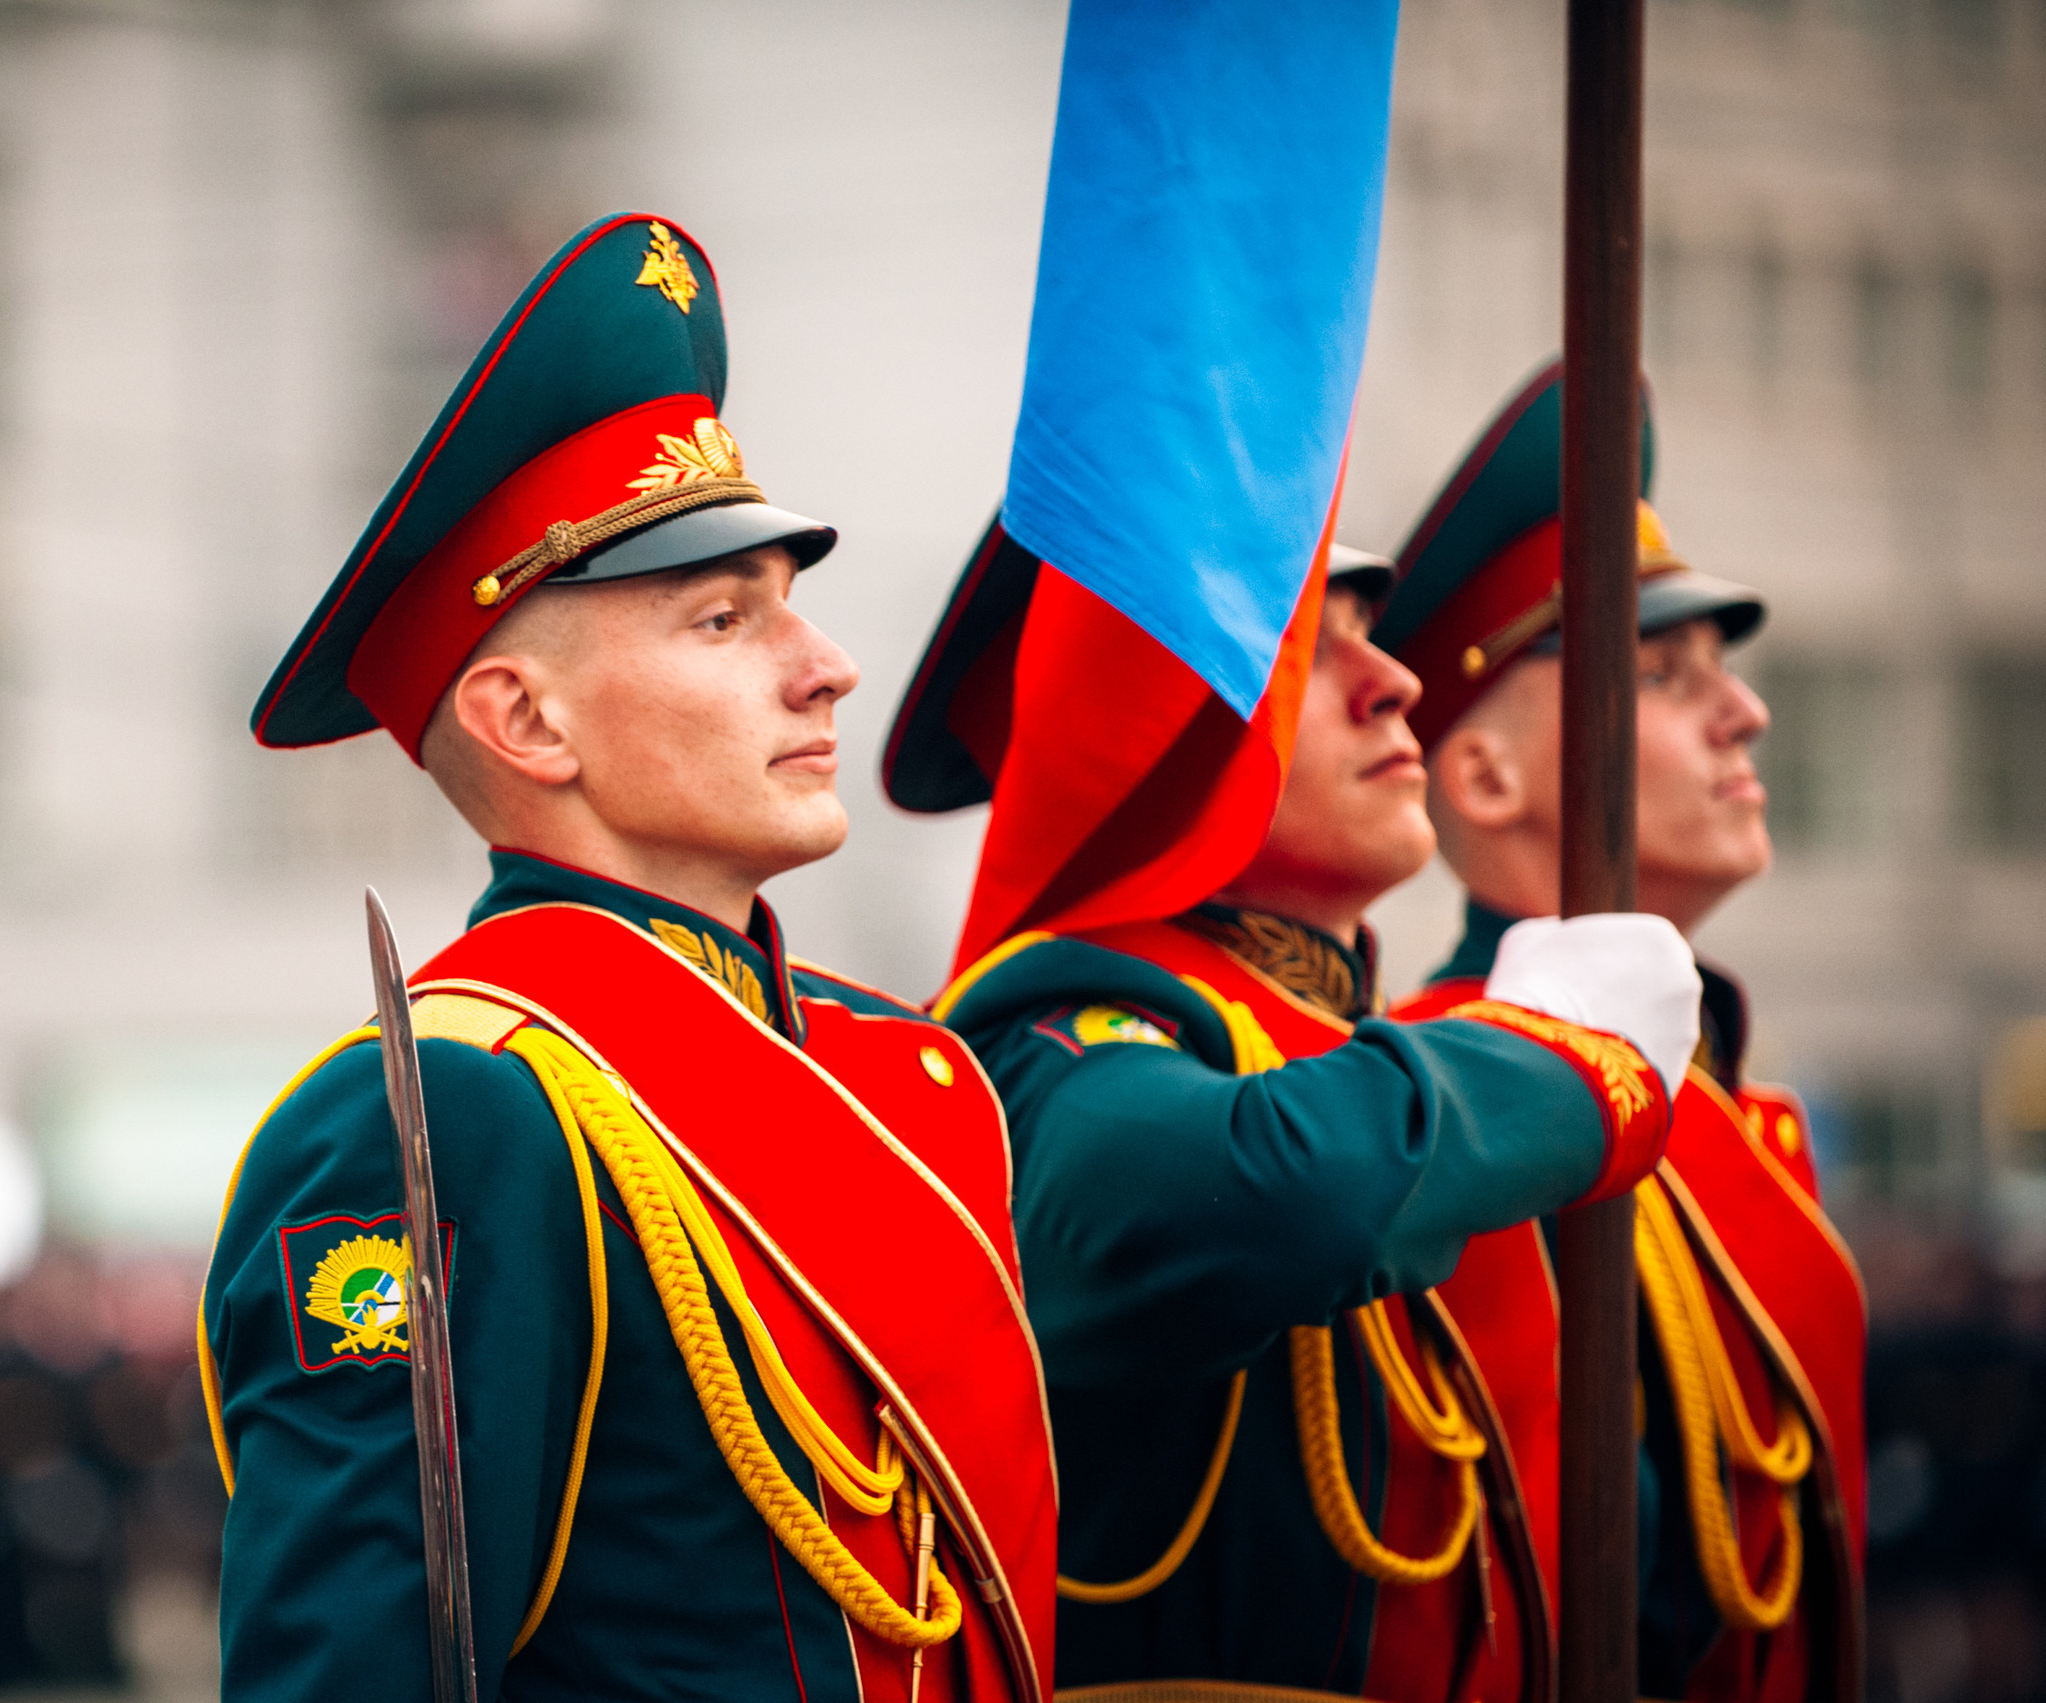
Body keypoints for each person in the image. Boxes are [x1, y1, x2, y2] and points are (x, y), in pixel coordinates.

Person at [200, 215, 1059, 1703]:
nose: (828, 664)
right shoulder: (447, 1115)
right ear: (527, 722)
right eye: (726, 617)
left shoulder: (900, 1067)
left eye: (789, 603)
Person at [884, 530, 1701, 1703]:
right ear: (1129, 728)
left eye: (1371, 635)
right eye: (1310, 646)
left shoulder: (1356, 1051)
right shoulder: (1050, 1027)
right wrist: (1554, 1061)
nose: (1400, 682)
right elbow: (1263, 1185)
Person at [1377, 361, 1867, 1703]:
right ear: (1482, 773)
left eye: (1722, 668)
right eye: (1659, 672)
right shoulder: (1447, 1097)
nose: (1744, 710)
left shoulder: (1721, 1091)